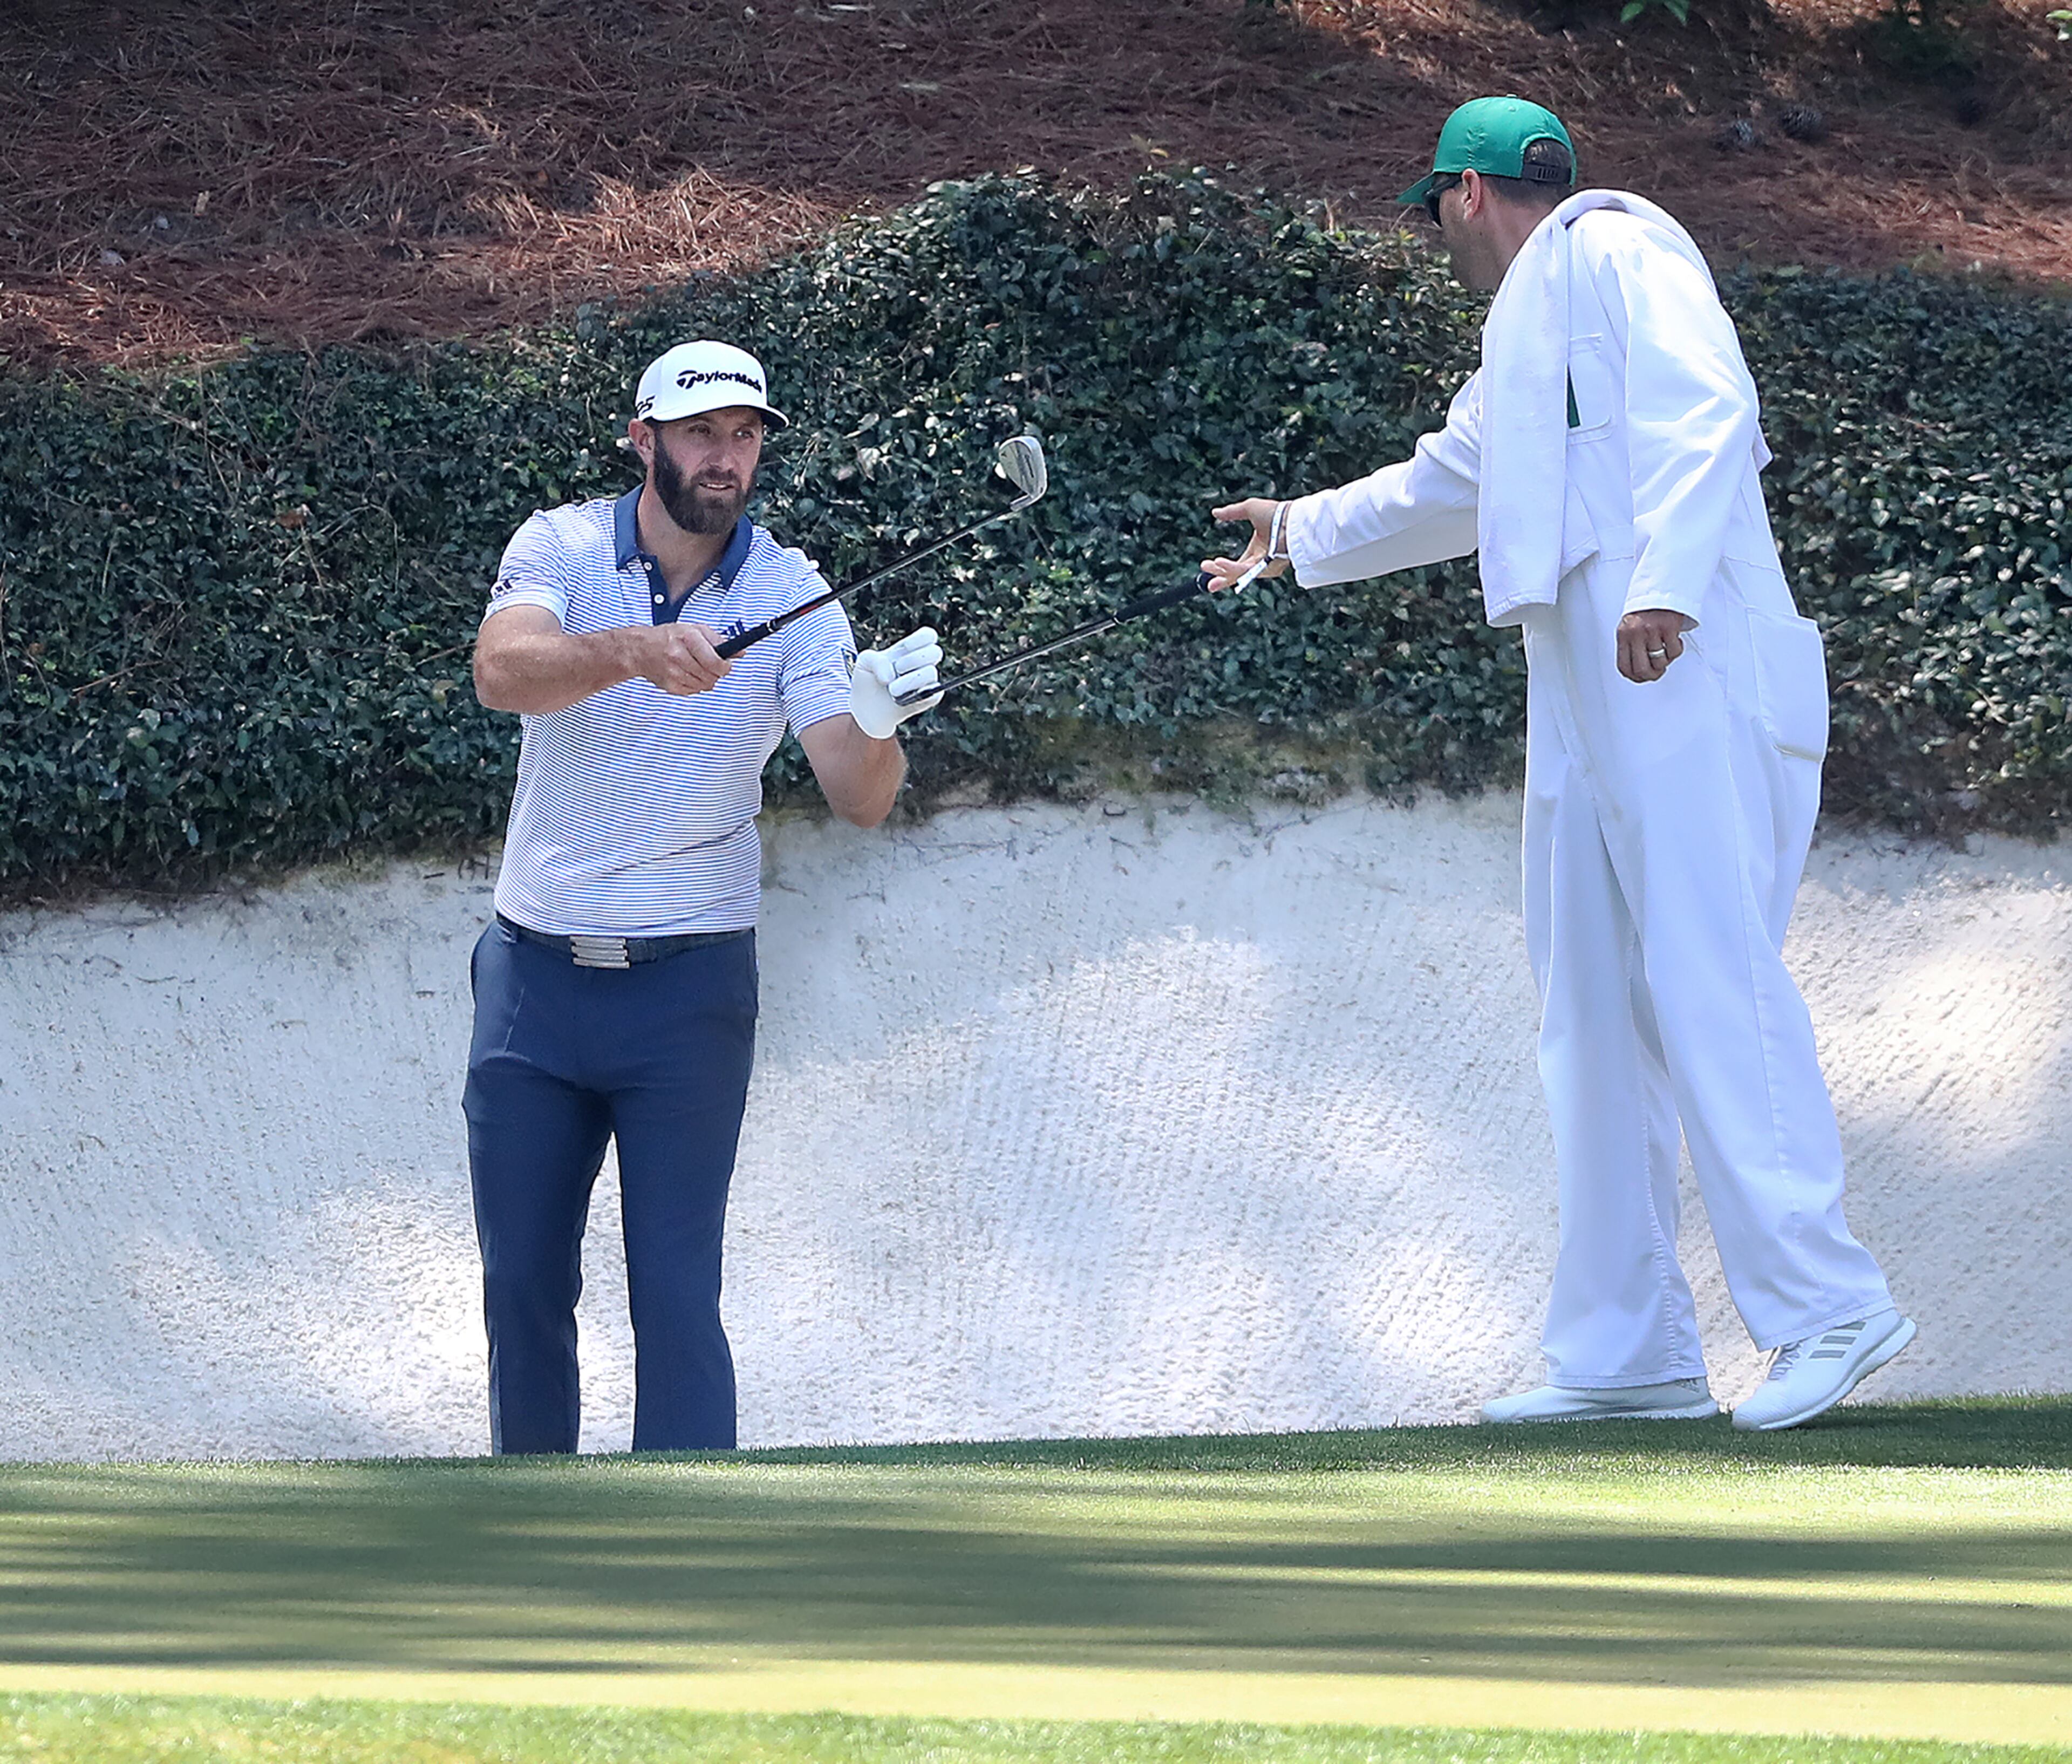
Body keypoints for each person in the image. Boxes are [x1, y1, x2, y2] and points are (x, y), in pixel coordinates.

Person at [1204, 97, 1914, 1432]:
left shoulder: (1624, 246)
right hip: (1589, 690)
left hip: (1689, 664)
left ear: (1466, 195)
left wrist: (1668, 583)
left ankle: (1830, 1306)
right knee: (1588, 1010)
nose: (1438, 238)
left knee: (1709, 975)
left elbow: (1712, 406)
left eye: (1435, 213)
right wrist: (1293, 532)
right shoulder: (1525, 335)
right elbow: (1453, 483)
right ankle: (1627, 1351)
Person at [466, 338, 942, 1453]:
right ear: (644, 441)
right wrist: (634, 651)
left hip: (688, 992)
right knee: (521, 1282)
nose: (726, 456)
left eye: (744, 435)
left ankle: (689, 1543)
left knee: (676, 1292)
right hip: (533, 981)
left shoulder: (795, 592)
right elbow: (502, 671)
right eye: (700, 434)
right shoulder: (561, 544)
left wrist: (882, 719)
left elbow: (857, 795)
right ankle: (524, 1528)